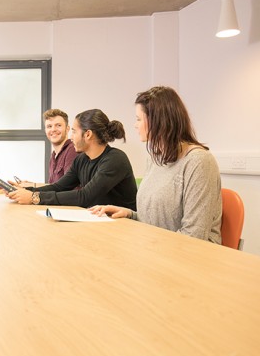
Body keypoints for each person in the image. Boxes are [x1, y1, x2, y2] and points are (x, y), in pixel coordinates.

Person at [90, 86, 222, 243]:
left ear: (157, 121)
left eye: (139, 119)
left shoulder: (199, 162)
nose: (135, 125)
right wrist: (130, 214)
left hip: (192, 258)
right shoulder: (156, 159)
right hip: (158, 249)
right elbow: (159, 222)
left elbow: (194, 236)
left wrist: (144, 244)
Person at [7, 109, 137, 209]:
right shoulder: (81, 159)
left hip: (122, 227)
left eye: (74, 131)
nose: (71, 136)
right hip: (99, 222)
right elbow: (58, 187)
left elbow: (85, 196)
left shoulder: (115, 159)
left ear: (88, 134)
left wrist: (35, 198)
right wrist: (24, 192)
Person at [17, 108, 79, 187]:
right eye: (49, 126)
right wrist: (29, 185)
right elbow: (53, 187)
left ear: (67, 129)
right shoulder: (54, 156)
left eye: (58, 125)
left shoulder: (72, 150)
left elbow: (68, 187)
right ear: (45, 130)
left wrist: (33, 186)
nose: (53, 129)